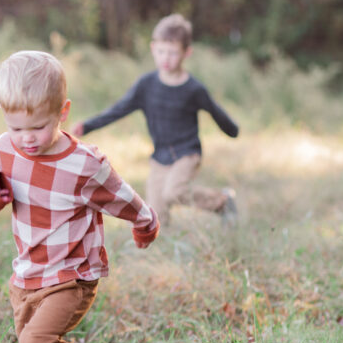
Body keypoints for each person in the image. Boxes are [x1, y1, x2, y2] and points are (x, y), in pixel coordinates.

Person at [0, 49, 159, 343]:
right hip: (26, 276)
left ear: (63, 111)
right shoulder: (4, 148)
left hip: (72, 276)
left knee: (37, 342)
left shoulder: (84, 165)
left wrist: (145, 222)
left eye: (38, 127)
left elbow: (122, 197)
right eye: (15, 126)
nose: (26, 138)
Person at [71, 13, 239, 226]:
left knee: (173, 192)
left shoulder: (193, 89)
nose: (165, 58)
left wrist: (233, 131)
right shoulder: (146, 85)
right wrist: (87, 126)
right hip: (160, 156)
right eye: (161, 51)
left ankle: (222, 201)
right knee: (154, 215)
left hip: (187, 152)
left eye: (172, 53)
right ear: (153, 49)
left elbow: (216, 112)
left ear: (187, 52)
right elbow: (119, 109)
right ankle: (165, 249)